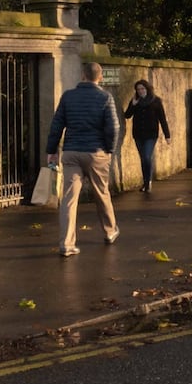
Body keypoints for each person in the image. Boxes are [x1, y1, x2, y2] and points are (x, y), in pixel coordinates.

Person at [46, 62, 121, 257]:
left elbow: (56, 126)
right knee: (101, 193)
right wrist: (109, 150)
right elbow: (113, 128)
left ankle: (67, 244)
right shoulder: (105, 97)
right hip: (96, 152)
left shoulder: (68, 97)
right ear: (100, 77)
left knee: (69, 199)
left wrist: (51, 150)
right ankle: (110, 231)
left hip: (71, 152)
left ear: (82, 76)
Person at [123, 79, 171, 192]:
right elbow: (127, 115)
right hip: (138, 134)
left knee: (146, 157)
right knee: (143, 158)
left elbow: (162, 119)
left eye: (142, 89)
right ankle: (145, 182)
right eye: (138, 89)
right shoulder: (135, 101)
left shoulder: (156, 101)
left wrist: (167, 135)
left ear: (147, 89)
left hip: (151, 134)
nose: (140, 91)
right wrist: (133, 105)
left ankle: (148, 182)